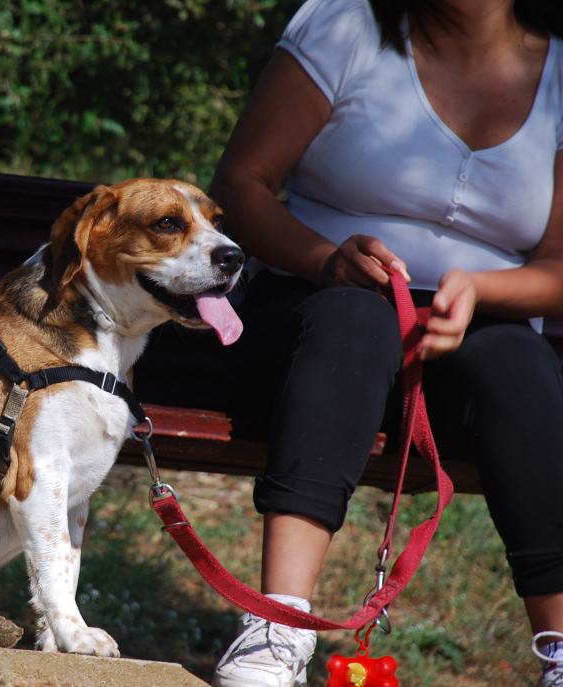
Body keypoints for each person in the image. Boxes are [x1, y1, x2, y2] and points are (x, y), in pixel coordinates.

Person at [208, 0, 563, 685]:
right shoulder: (345, 23)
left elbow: (558, 265)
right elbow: (240, 185)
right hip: (313, 308)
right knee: (355, 319)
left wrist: (482, 291)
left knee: (518, 359)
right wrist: (325, 259)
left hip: (471, 328)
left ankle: (559, 645)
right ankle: (276, 624)